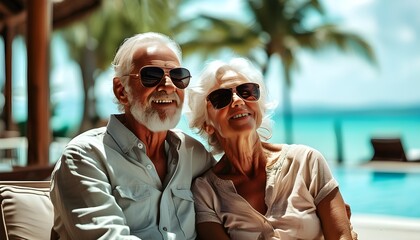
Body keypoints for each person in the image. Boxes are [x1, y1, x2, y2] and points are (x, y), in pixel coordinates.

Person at [49, 32, 215, 240]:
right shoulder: (85, 157)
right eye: (152, 76)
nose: (168, 86)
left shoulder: (195, 155)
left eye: (178, 76)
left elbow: (230, 201)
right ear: (121, 91)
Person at [187, 57, 357, 240]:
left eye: (247, 91)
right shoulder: (206, 191)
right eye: (221, 98)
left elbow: (342, 236)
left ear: (258, 108)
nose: (237, 101)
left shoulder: (306, 161)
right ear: (207, 124)